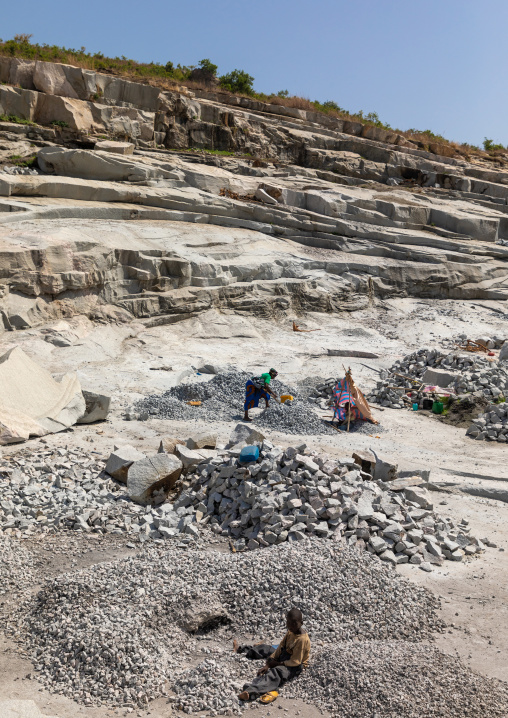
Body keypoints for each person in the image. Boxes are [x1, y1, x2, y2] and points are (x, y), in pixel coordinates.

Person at [234, 608, 310, 702]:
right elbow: (281, 647)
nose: (291, 625)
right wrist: (270, 661)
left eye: (294, 623)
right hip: (285, 655)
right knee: (265, 648)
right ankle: (242, 650)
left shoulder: (301, 639)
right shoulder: (291, 631)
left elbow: (296, 661)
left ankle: (251, 691)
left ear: (301, 623)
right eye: (289, 622)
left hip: (294, 665)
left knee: (276, 672)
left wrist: (277, 664)